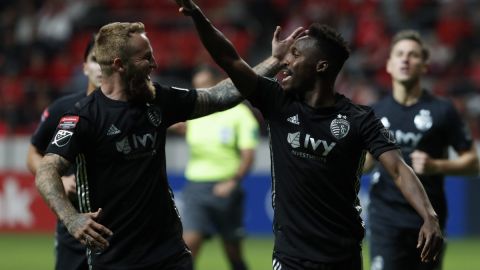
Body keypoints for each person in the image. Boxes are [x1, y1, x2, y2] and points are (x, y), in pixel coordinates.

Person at [174, 1, 444, 269]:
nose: (285, 62)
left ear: (321, 66)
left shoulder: (360, 119)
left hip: (342, 257)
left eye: (295, 55)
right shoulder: (277, 101)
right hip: (290, 257)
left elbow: (397, 168)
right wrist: (199, 18)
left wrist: (429, 215)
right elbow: (230, 60)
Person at [34, 21, 303, 270]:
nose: (154, 63)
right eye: (145, 57)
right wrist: (71, 218)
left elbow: (223, 95)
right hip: (114, 257)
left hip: (169, 252)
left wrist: (275, 61)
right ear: (119, 64)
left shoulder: (158, 100)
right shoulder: (83, 117)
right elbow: (46, 170)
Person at [363, 30, 479, 270]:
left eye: (413, 55)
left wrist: (437, 165)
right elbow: (362, 164)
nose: (405, 59)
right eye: (400, 54)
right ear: (389, 65)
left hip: (429, 221)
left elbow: (473, 162)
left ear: (425, 65)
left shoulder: (443, 110)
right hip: (385, 219)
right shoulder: (373, 112)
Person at [26, 34, 101, 270]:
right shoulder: (63, 109)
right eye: (95, 59)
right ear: (85, 67)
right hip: (74, 223)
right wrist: (59, 177)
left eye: (107, 60)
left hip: (118, 225)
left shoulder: (132, 110)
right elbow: (32, 154)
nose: (101, 67)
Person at [177, 65, 259, 270]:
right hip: (196, 188)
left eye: (205, 87)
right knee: (188, 248)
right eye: (197, 88)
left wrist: (232, 182)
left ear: (218, 84)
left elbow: (248, 155)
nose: (201, 92)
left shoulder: (239, 114)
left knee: (233, 254)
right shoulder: (194, 113)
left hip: (226, 188)